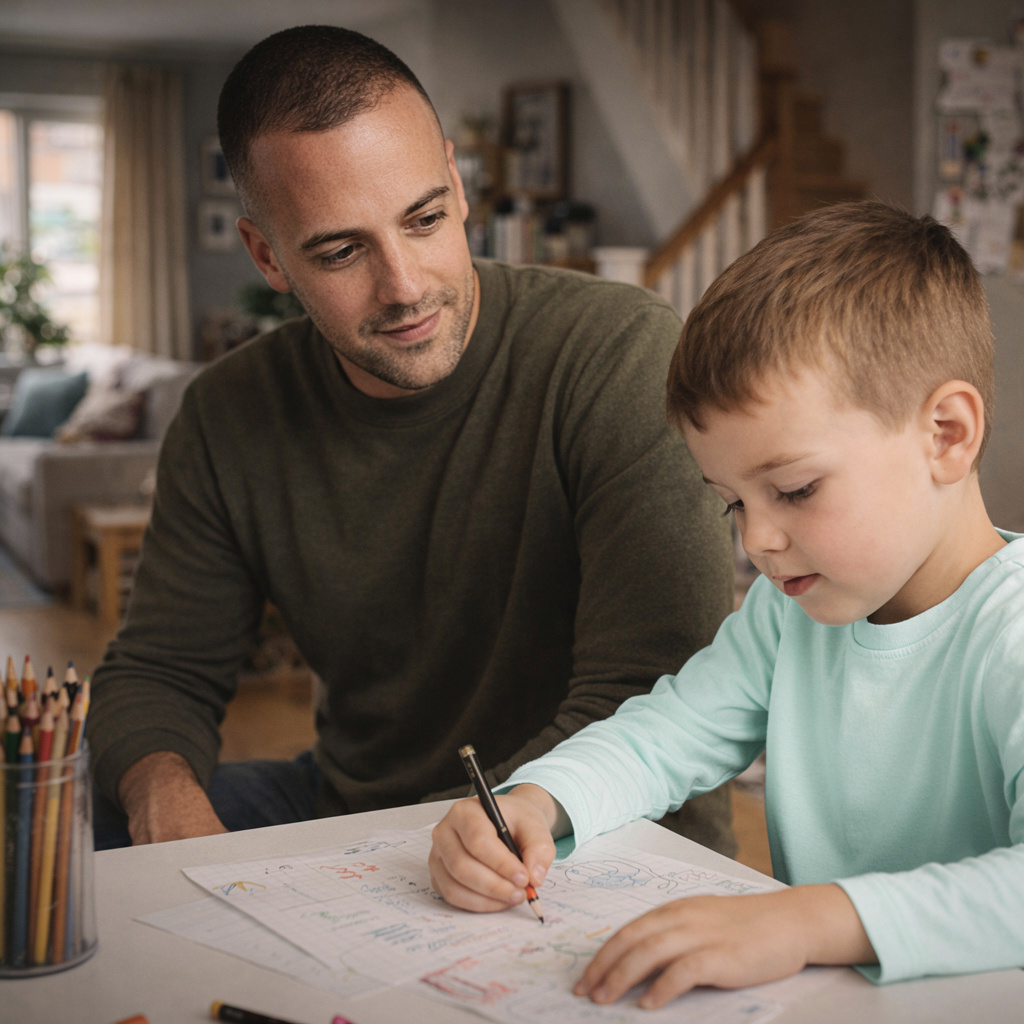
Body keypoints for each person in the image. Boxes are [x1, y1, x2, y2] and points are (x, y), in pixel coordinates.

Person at [85, 25, 735, 851]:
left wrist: (465, 835)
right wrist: (164, 805)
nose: (405, 287)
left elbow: (650, 692)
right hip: (358, 808)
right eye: (341, 250)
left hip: (589, 818)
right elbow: (159, 669)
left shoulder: (616, 350)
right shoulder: (228, 414)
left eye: (424, 219)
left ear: (459, 192)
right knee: (86, 809)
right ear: (267, 254)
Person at [429, 201, 1024, 1007]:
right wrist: (538, 799)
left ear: (947, 435)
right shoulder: (790, 616)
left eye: (793, 489)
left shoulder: (1011, 632)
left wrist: (804, 921)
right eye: (733, 504)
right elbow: (667, 734)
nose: (760, 542)